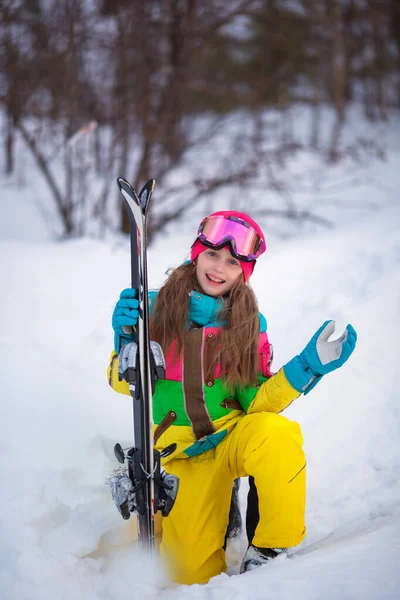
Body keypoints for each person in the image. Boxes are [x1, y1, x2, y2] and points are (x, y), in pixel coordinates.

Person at [107, 210, 357, 585]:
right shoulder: (153, 308)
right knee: (189, 574)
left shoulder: (249, 323)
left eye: (232, 262)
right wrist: (125, 339)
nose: (219, 268)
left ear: (244, 272)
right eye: (212, 255)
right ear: (196, 254)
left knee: (276, 433)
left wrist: (307, 368)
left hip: (230, 440)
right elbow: (121, 383)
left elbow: (257, 402)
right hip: (182, 454)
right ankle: (221, 515)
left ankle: (270, 548)